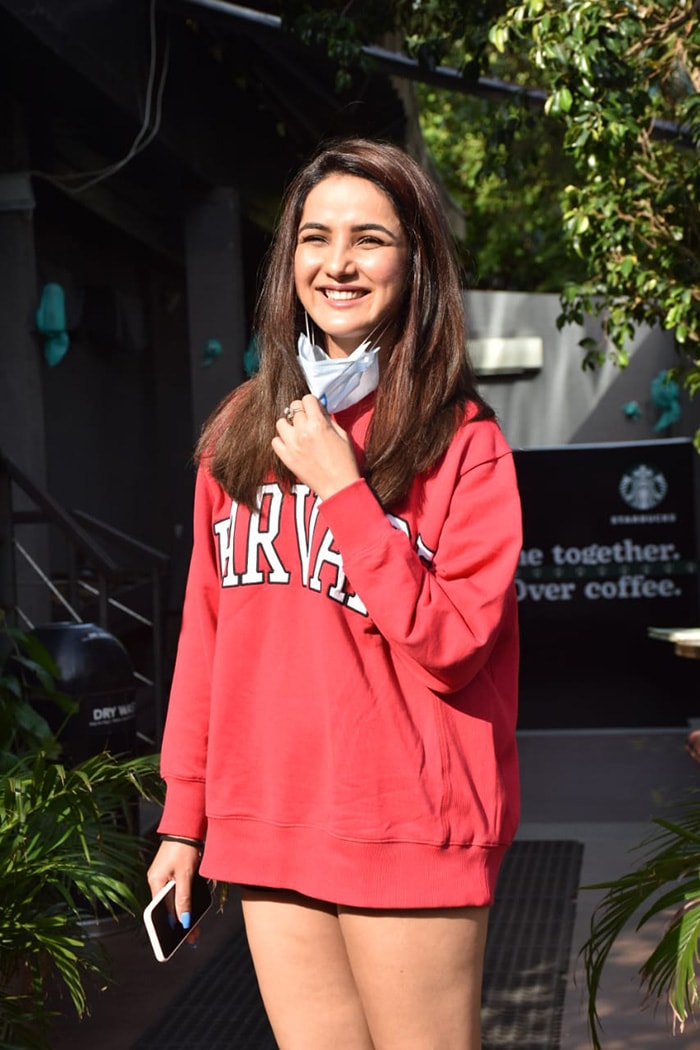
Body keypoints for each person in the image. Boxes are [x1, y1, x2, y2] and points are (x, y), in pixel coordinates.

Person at [147, 136, 522, 1050]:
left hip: (405, 823)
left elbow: (454, 644)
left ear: (416, 261)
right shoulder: (239, 431)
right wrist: (184, 822)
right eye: (316, 238)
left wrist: (343, 489)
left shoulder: (463, 440)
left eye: (370, 238)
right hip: (266, 818)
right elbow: (207, 636)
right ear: (289, 261)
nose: (338, 263)